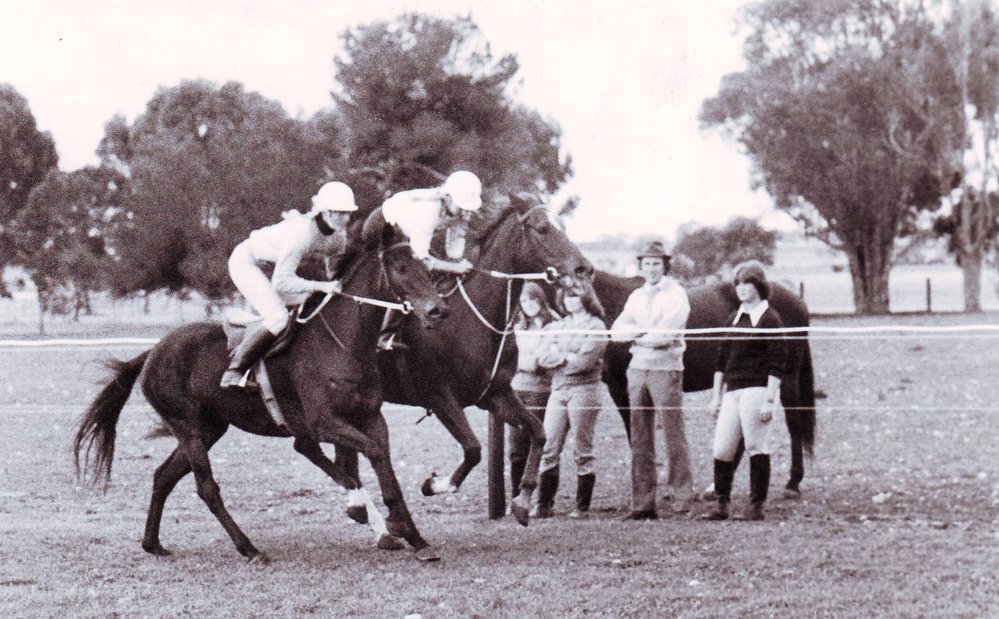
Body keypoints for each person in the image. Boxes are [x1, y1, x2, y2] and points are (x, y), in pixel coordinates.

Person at [220, 181, 357, 388]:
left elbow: (332, 266)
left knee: (312, 306)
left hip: (272, 267)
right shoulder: (301, 234)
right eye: (339, 213)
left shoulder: (339, 237)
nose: (345, 219)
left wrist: (333, 284)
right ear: (325, 212)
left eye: (348, 213)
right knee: (278, 318)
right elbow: (281, 282)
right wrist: (322, 286)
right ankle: (235, 371)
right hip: (246, 263)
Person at [610, 240, 693, 520]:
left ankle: (682, 499)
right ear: (641, 266)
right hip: (638, 369)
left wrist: (639, 333)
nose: (652, 268)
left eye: (656, 263)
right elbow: (617, 333)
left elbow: (666, 335)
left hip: (665, 367)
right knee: (640, 436)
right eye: (647, 263)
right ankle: (643, 503)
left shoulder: (676, 295)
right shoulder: (636, 296)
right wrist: (645, 333)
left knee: (673, 434)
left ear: (665, 265)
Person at [703, 260, 787, 521]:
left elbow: (777, 363)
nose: (741, 289)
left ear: (758, 286)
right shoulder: (733, 318)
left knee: (755, 445)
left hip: (757, 389)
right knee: (722, 448)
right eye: (738, 284)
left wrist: (769, 399)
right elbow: (720, 360)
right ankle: (722, 503)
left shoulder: (770, 320)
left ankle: (756, 505)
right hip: (732, 391)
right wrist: (716, 396)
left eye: (746, 283)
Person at [362, 170, 484, 350]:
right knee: (406, 277)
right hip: (383, 225)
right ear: (447, 197)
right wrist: (455, 268)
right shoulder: (428, 211)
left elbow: (455, 246)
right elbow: (422, 260)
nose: (465, 212)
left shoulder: (461, 212)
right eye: (461, 207)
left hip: (411, 236)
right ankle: (385, 334)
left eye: (469, 208)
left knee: (440, 269)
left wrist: (458, 264)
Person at [534, 285, 609, 519]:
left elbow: (584, 362)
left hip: (585, 390)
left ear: (586, 297)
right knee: (549, 446)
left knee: (582, 449)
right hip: (558, 391)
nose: (570, 300)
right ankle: (544, 505)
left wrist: (561, 354)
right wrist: (566, 356)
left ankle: (582, 506)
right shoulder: (558, 326)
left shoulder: (596, 326)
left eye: (575, 296)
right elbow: (542, 357)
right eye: (567, 296)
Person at [508, 282, 559, 503]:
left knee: (539, 444)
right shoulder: (517, 325)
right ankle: (516, 496)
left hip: (542, 390)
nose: (529, 306)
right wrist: (525, 362)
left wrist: (524, 362)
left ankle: (544, 500)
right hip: (517, 389)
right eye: (525, 301)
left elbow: (544, 360)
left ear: (541, 300)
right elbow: (511, 357)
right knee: (516, 448)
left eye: (533, 300)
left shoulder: (552, 325)